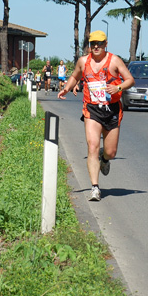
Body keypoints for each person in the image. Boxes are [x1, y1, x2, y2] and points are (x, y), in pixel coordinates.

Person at [57, 31, 134, 201]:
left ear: (106, 44)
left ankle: (105, 159)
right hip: (91, 109)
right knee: (92, 146)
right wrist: (66, 88)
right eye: (93, 44)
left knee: (111, 151)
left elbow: (130, 80)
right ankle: (95, 188)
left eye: (99, 43)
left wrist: (118, 88)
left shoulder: (114, 61)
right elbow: (74, 76)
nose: (96, 46)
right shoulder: (83, 62)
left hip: (112, 109)